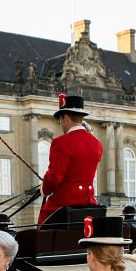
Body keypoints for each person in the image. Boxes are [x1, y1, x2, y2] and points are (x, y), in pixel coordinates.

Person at [38, 93, 103, 224]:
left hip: (64, 204)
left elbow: (54, 178)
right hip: (88, 203)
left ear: (66, 118)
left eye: (60, 120)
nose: (60, 124)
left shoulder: (61, 143)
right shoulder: (96, 143)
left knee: (41, 226)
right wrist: (89, 133)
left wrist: (43, 189)